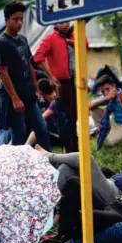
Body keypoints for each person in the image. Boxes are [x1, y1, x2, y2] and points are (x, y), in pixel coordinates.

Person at [0, 1, 51, 151]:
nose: (20, 22)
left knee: (41, 128)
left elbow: (30, 65)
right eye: (15, 19)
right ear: (7, 20)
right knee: (19, 134)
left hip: (29, 93)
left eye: (21, 19)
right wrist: (15, 98)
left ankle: (48, 161)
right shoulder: (2, 43)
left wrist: (36, 88)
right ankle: (18, 168)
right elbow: (3, 72)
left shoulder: (22, 39)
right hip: (15, 96)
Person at [33, 22, 78, 152]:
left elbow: (85, 45)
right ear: (55, 24)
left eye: (66, 22)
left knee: (73, 117)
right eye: (61, 22)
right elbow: (38, 57)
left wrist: (69, 41)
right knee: (64, 119)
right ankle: (68, 150)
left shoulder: (71, 37)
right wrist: (51, 76)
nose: (65, 25)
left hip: (73, 81)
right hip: (61, 83)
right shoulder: (51, 38)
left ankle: (75, 150)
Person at [25, 79, 61, 146]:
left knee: (37, 129)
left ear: (41, 92)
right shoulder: (49, 100)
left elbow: (41, 118)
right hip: (53, 130)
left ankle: (25, 147)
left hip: (56, 133)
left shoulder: (55, 102)